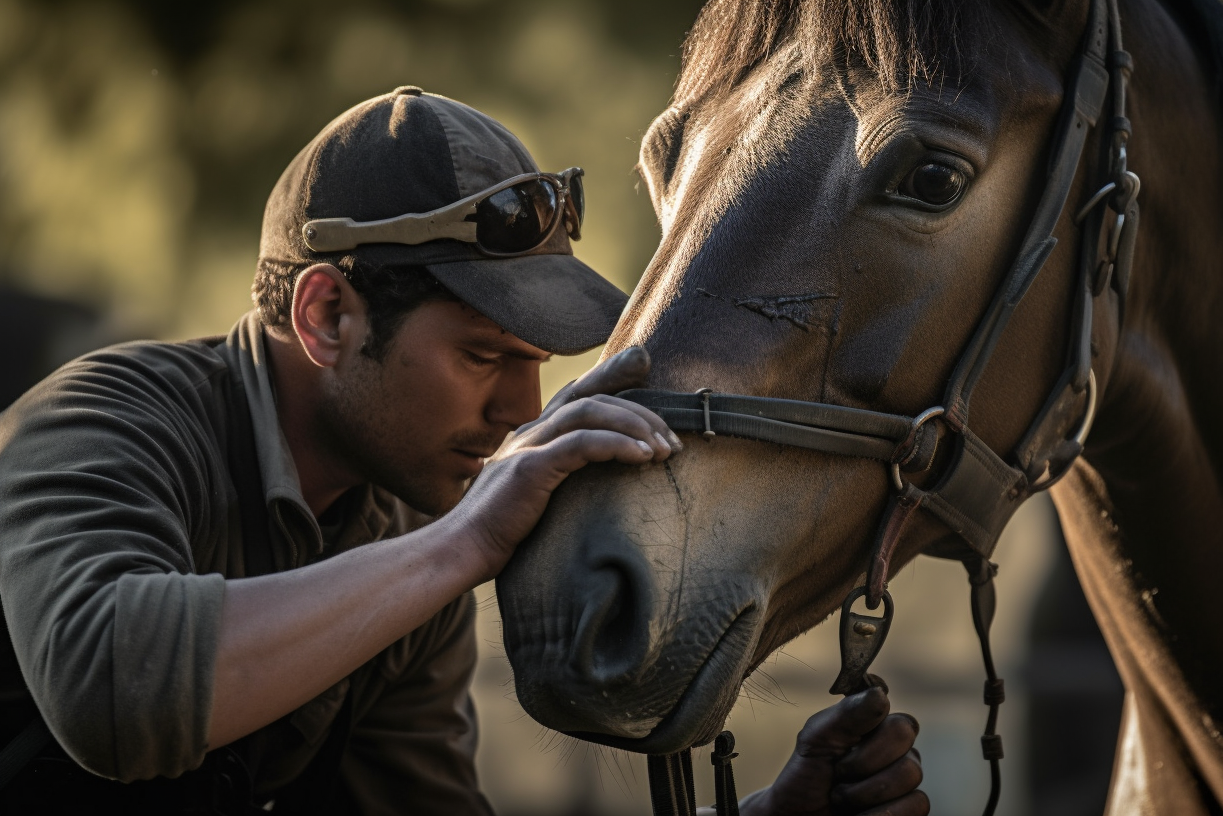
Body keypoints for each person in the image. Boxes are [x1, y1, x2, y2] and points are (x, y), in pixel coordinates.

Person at [0, 87, 929, 815]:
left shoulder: (407, 545)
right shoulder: (100, 425)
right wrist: (462, 547)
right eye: (484, 356)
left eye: (536, 366)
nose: (519, 412)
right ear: (326, 315)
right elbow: (109, 693)